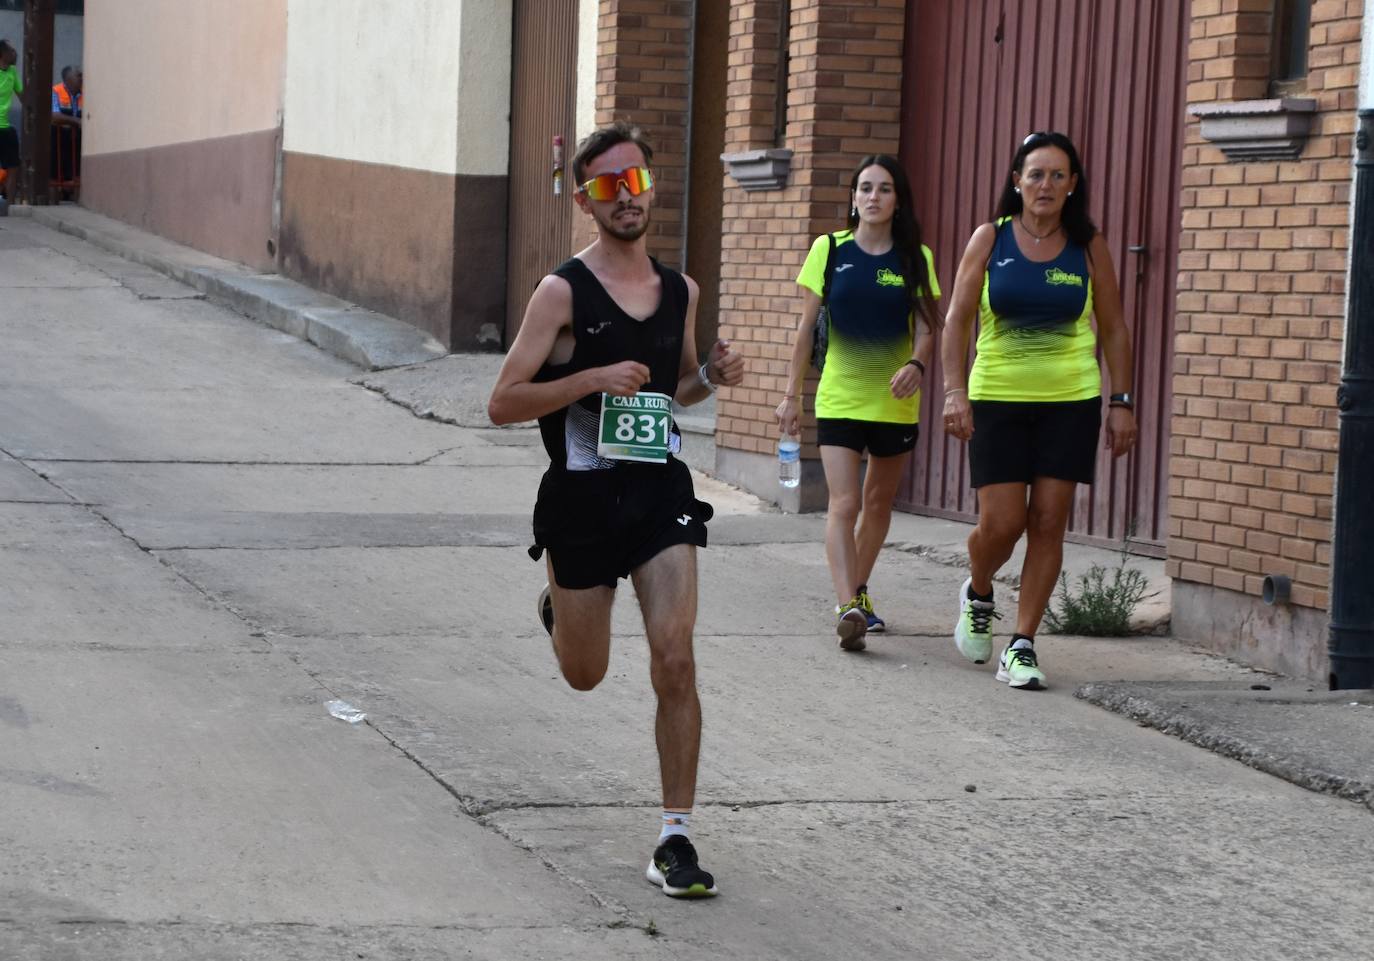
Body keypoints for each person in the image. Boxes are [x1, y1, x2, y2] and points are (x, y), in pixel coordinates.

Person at [488, 121, 744, 898]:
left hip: (658, 490)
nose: (626, 198)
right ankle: (560, 609)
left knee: (676, 654)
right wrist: (587, 380)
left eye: (636, 182)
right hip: (581, 501)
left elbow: (678, 387)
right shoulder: (562, 291)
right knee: (586, 672)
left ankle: (676, 837)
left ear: (651, 185)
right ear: (585, 199)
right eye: (608, 187)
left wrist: (713, 374)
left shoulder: (683, 288)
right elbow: (502, 400)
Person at [940, 131, 1137, 690]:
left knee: (1049, 521)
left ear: (1073, 184)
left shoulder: (1088, 244)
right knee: (1001, 524)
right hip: (998, 397)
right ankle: (979, 590)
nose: (1045, 185)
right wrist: (955, 392)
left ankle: (1022, 643)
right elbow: (956, 321)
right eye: (1035, 174)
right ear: (1016, 182)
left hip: (1070, 400)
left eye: (1057, 175)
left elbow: (1116, 329)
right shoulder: (990, 238)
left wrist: (1120, 400)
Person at [775, 154, 941, 651]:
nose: (873, 197)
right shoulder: (829, 249)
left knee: (877, 503)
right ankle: (848, 605)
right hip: (840, 397)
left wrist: (917, 365)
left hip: (893, 402)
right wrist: (792, 397)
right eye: (865, 188)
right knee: (844, 503)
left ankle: (858, 595)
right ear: (853, 198)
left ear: (897, 200)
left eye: (884, 189)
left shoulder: (916, 258)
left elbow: (932, 323)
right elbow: (806, 330)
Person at [50, 65, 82, 190]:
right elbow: (54, 116)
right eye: (78, 75)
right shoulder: (56, 91)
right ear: (68, 80)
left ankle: (72, 192)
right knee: (55, 170)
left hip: (76, 139)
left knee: (75, 171)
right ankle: (55, 194)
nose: (82, 78)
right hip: (59, 137)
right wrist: (77, 121)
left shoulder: (85, 92)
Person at [0, 40, 23, 203]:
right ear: (2, 55)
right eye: (11, 50)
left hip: (5, 127)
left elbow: (23, 97)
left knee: (14, 166)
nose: (15, 53)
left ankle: (9, 205)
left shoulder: (13, 72)